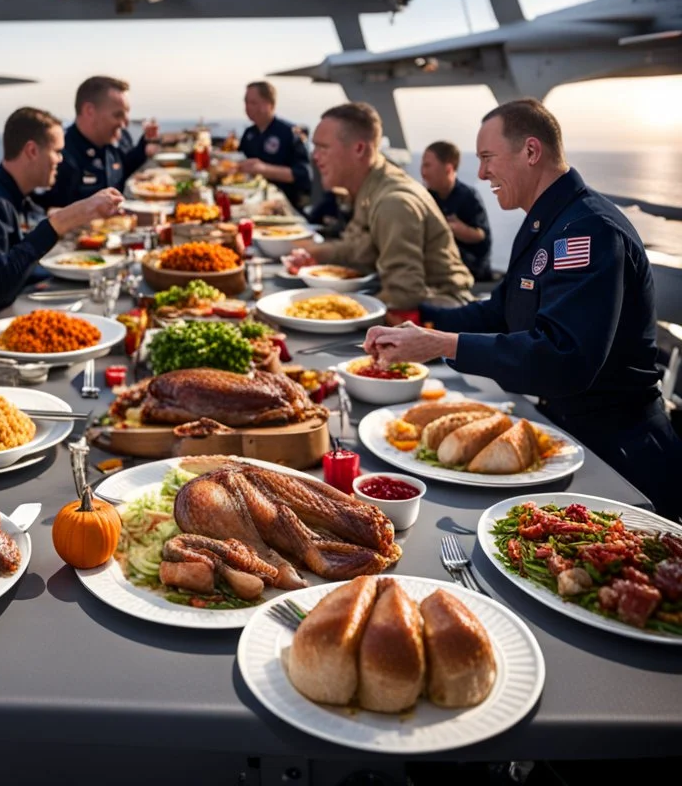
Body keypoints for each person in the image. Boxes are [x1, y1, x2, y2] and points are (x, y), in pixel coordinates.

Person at [365, 98, 682, 519]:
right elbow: (500, 311)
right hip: (569, 434)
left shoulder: (586, 233)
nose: (480, 174)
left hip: (620, 458)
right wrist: (415, 318)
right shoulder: (545, 224)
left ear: (531, 152)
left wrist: (440, 343)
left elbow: (563, 358)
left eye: (487, 158)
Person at [0, 107, 124, 342]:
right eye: (57, 151)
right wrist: (58, 223)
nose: (61, 159)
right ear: (32, 150)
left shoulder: (13, 197)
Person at [291, 103, 474, 315]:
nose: (315, 157)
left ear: (359, 149)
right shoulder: (370, 187)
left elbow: (403, 296)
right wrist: (314, 253)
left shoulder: (393, 202)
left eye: (323, 147)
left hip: (442, 309)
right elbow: (358, 248)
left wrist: (333, 310)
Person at [37, 75, 158, 208]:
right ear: (89, 111)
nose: (125, 123)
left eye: (126, 114)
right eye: (118, 115)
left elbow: (123, 167)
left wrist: (144, 145)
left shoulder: (118, 140)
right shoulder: (60, 156)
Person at [420, 140, 493, 281]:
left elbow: (480, 236)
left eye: (427, 165)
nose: (423, 172)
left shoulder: (468, 197)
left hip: (472, 270)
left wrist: (453, 228)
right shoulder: (428, 196)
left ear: (448, 169)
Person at [237, 81, 312, 209]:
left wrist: (264, 169)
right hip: (253, 201)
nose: (248, 107)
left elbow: (304, 175)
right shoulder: (250, 133)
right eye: (246, 102)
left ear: (269, 104)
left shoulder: (290, 133)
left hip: (285, 205)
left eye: (253, 103)